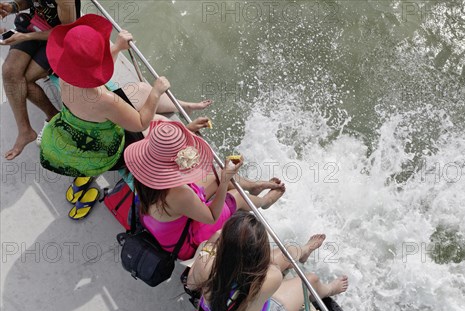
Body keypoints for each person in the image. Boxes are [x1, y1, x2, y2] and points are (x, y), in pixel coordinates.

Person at [39, 14, 212, 179]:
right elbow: (140, 123)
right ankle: (186, 130)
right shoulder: (105, 100)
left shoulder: (66, 76)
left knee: (142, 90)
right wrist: (156, 92)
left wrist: (117, 48)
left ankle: (184, 105)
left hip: (82, 125)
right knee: (160, 122)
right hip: (106, 150)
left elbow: (95, 76)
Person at [183, 211, 349, 311]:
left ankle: (305, 250)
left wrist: (215, 242)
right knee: (310, 280)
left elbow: (192, 282)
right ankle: (329, 289)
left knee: (286, 255)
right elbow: (271, 269)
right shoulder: (270, 279)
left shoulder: (206, 260)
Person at [125, 120, 286, 261]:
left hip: (164, 225)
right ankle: (265, 202)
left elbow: (163, 154)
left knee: (214, 172)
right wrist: (224, 181)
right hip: (185, 242)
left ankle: (253, 186)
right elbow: (211, 217)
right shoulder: (179, 194)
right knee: (236, 196)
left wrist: (185, 130)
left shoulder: (144, 170)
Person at [0, 0, 80, 160]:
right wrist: (13, 7)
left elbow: (66, 31)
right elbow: (31, 2)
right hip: (36, 24)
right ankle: (25, 130)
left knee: (24, 81)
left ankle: (53, 117)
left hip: (59, 37)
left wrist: (26, 36)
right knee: (9, 72)